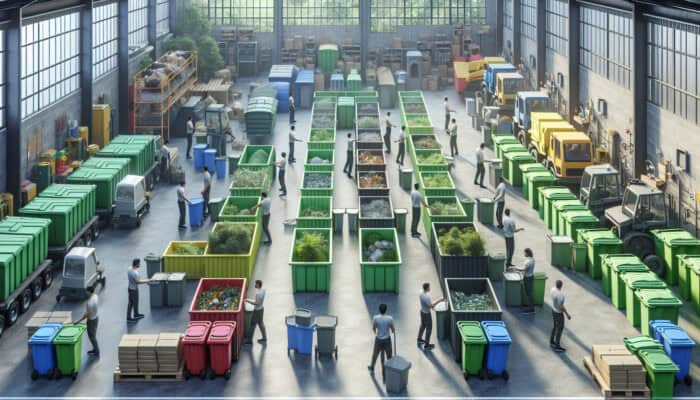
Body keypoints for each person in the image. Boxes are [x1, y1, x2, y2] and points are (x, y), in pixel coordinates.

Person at [368, 303, 395, 374]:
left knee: (375, 354)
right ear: (386, 310)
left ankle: (372, 367)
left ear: (379, 310)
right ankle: (390, 369)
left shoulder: (375, 318)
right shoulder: (390, 318)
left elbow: (374, 328)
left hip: (378, 339)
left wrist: (377, 333)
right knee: (389, 355)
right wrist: (392, 329)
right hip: (387, 340)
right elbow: (393, 330)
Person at [73, 286, 99, 357]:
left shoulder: (90, 302)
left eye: (86, 291)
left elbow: (88, 313)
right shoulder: (95, 296)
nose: (85, 292)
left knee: (92, 337)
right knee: (93, 336)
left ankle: (96, 352)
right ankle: (95, 349)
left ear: (89, 291)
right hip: (96, 318)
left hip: (91, 321)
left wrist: (78, 321)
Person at [417, 283, 444, 351]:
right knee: (429, 329)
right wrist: (440, 300)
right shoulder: (426, 297)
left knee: (422, 325)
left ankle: (419, 339)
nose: (430, 288)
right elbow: (431, 306)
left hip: (422, 311)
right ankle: (426, 345)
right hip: (427, 314)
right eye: (429, 287)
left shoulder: (421, 292)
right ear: (427, 288)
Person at [550, 279, 571, 352]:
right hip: (559, 313)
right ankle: (557, 346)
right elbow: (561, 306)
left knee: (555, 326)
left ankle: (552, 341)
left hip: (553, 310)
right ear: (561, 285)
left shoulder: (552, 290)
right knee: (560, 329)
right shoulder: (561, 295)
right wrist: (567, 314)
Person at [127, 259, 149, 323]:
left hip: (130, 288)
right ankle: (129, 317)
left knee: (133, 303)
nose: (140, 265)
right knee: (131, 303)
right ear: (136, 264)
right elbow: (138, 282)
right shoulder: (134, 273)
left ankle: (136, 314)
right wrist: (147, 281)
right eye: (139, 263)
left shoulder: (129, 268)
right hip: (134, 290)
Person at [515, 248, 536, 314]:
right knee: (528, 292)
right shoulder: (531, 259)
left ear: (527, 253)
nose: (524, 254)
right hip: (530, 277)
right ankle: (530, 306)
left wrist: (516, 268)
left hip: (528, 278)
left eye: (525, 253)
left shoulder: (529, 261)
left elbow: (524, 269)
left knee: (529, 293)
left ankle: (531, 308)